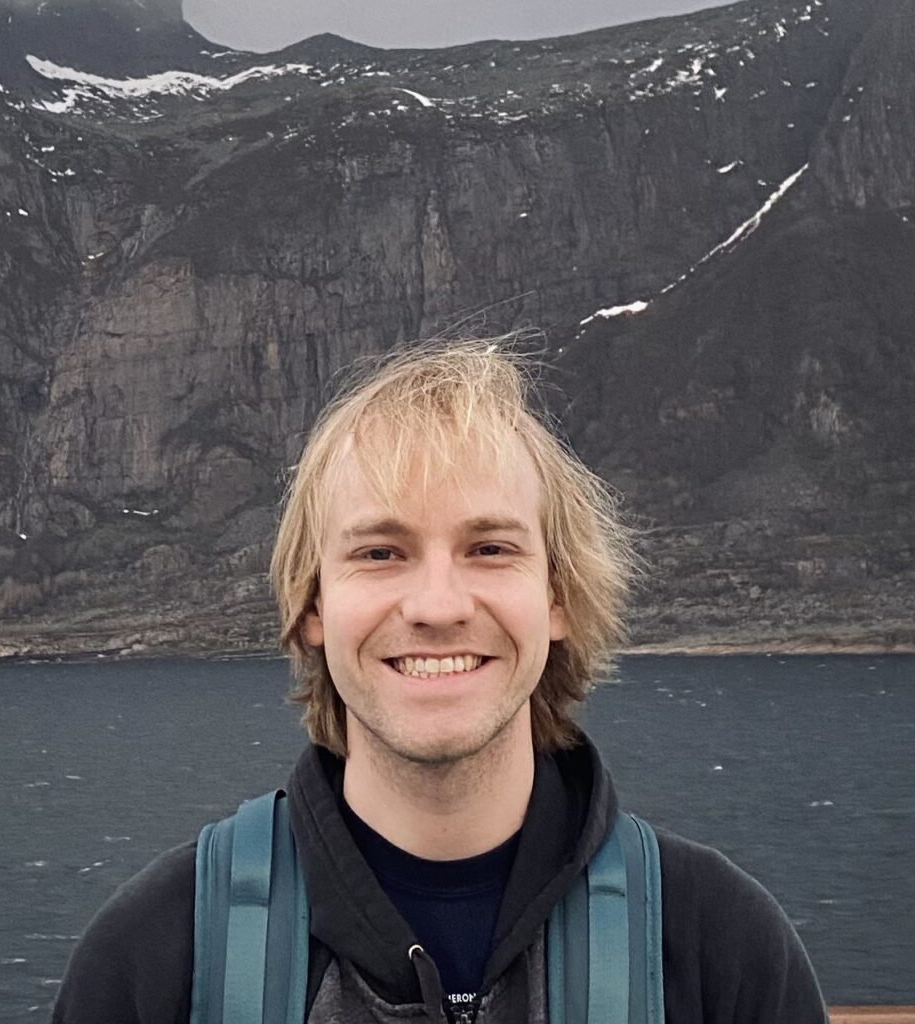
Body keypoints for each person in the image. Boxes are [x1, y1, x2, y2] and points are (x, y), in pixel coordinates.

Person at [52, 340, 827, 1024]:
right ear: (313, 605)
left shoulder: (717, 947)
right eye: (380, 553)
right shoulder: (159, 955)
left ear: (557, 597)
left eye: (489, 549)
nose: (437, 607)